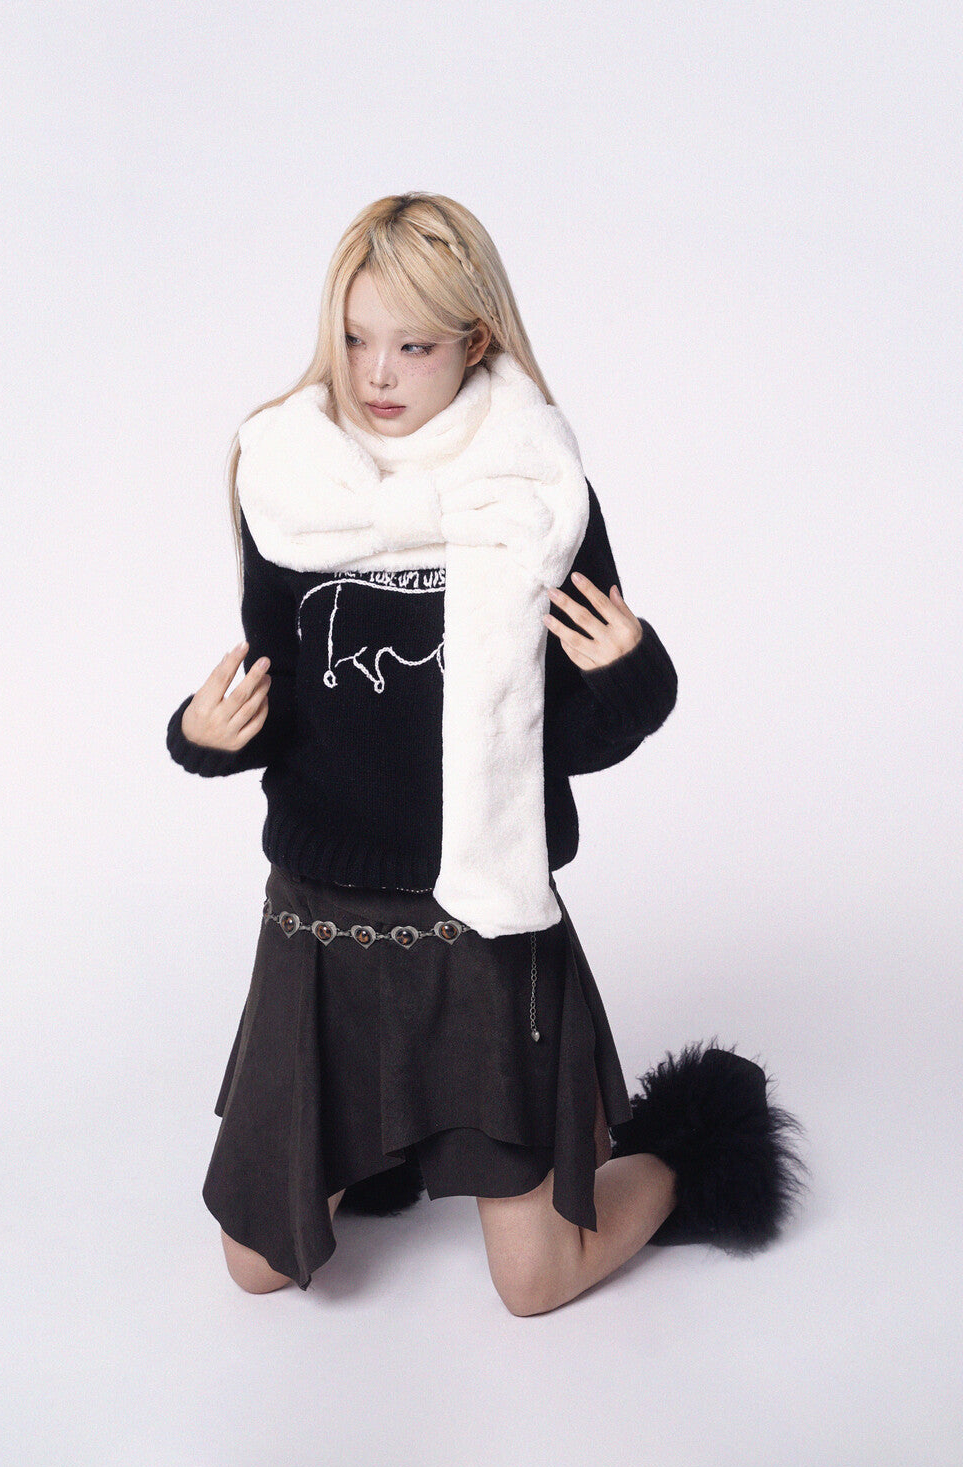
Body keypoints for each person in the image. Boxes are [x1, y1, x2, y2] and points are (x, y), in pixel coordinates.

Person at [166, 192, 808, 1316]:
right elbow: (280, 699)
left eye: (413, 345)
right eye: (355, 338)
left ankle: (693, 1146)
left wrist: (634, 675)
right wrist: (200, 736)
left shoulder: (536, 490)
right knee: (257, 1268)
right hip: (323, 928)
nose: (376, 373)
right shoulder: (286, 478)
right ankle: (386, 1143)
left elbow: (573, 734)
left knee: (534, 1283)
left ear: (475, 340)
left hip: (483, 930)